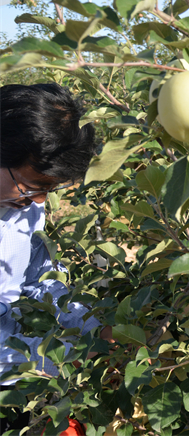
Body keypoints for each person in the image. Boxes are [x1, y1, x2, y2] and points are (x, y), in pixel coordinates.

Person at [0, 83, 100, 434]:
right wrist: (62, 360)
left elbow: (41, 279)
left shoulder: (23, 209)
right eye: (30, 187)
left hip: (12, 381)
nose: (39, 201)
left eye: (48, 190)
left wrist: (93, 328)